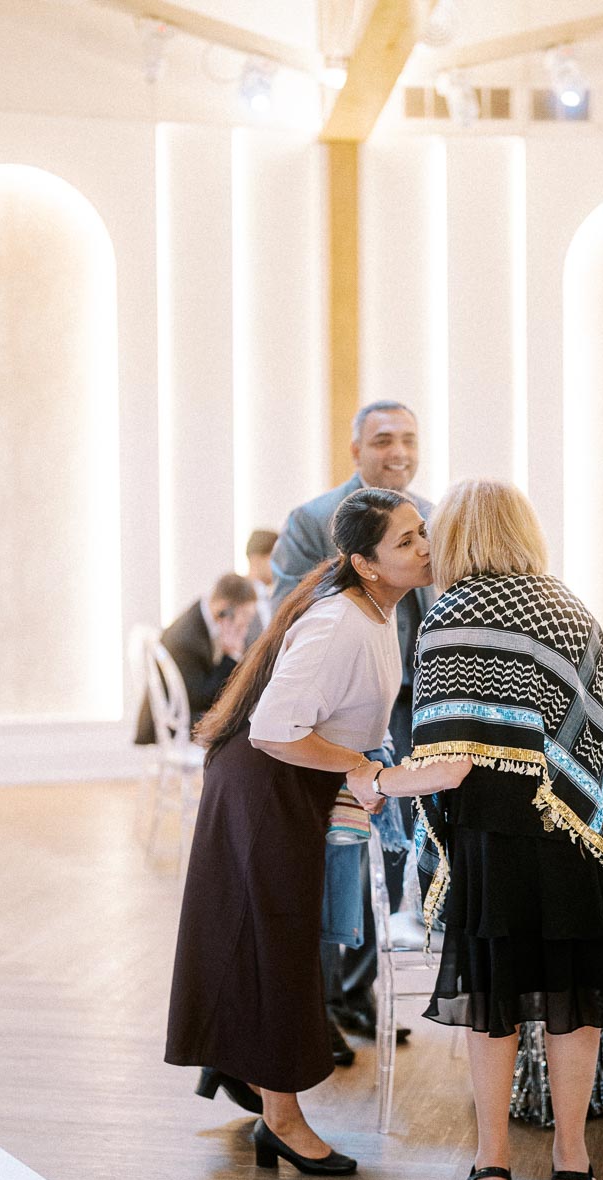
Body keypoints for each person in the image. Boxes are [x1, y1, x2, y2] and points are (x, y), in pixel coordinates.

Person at [348, 479, 603, 1180]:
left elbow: (448, 765)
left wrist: (378, 778)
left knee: (495, 1005)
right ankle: (572, 1159)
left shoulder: (450, 618)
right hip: (580, 841)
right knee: (573, 1001)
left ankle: (491, 1161)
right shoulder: (567, 606)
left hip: (497, 844)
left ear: (457, 537)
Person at [164, 488, 468, 1176]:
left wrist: (362, 772)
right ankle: (283, 1121)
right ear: (366, 563)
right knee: (280, 947)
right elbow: (274, 728)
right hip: (266, 787)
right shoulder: (341, 622)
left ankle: (244, 1074)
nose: (425, 547)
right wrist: (359, 767)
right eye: (407, 542)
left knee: (267, 940)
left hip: (290, 785)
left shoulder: (377, 610)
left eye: (422, 533)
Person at [271, 400, 433, 1056]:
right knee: (336, 856)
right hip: (337, 717)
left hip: (407, 711)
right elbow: (291, 611)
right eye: (382, 440)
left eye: (408, 440)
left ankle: (359, 993)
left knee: (387, 857)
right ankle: (320, 1008)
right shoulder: (313, 522)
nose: (397, 452)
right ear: (355, 450)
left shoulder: (430, 515)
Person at [135, 573, 257, 745]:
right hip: (175, 722)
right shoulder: (187, 640)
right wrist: (230, 656)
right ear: (224, 609)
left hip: (187, 710)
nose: (246, 625)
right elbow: (203, 697)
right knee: (245, 721)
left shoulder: (203, 616)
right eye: (244, 616)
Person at [244, 528, 278, 643]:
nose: (280, 566)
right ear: (256, 559)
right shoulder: (238, 598)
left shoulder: (272, 600)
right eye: (275, 558)